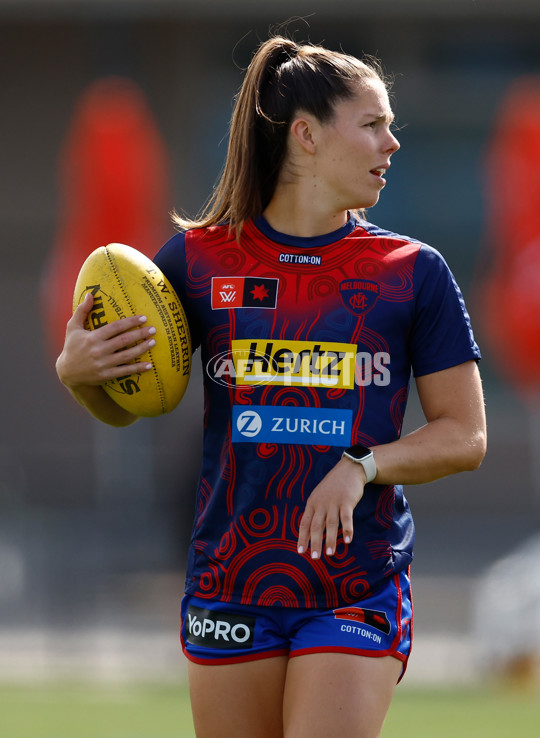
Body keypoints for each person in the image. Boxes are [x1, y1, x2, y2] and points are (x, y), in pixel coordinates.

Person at [56, 35, 486, 738]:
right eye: (374, 124)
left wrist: (364, 467)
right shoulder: (195, 261)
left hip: (355, 584)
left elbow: (465, 437)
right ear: (307, 135)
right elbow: (128, 403)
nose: (393, 142)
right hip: (232, 580)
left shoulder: (414, 271)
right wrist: (77, 375)